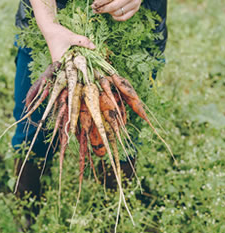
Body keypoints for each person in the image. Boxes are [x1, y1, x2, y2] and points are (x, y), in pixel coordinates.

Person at [13, 0, 167, 205]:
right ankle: (26, 203)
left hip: (135, 25)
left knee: (124, 127)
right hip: (46, 22)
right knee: (34, 125)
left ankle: (118, 203)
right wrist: (49, 25)